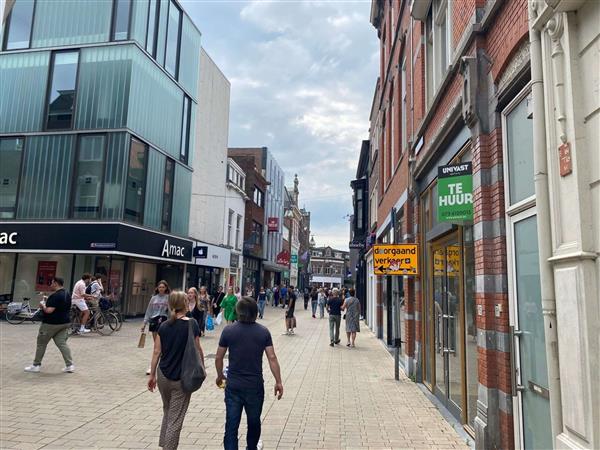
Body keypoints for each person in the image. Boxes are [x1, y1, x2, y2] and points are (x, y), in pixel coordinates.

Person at [216, 298, 283, 450]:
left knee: (231, 424)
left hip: (233, 385)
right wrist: (278, 381)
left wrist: (220, 375)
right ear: (255, 311)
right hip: (255, 385)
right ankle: (251, 447)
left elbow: (219, 357)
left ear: (238, 312)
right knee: (254, 422)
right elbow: (272, 357)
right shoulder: (263, 332)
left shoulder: (229, 330)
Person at [148, 291, 204, 450]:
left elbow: (156, 351)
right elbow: (198, 348)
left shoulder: (164, 325)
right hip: (182, 377)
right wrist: (202, 368)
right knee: (175, 418)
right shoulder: (191, 324)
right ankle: (169, 447)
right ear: (185, 304)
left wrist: (152, 375)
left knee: (168, 410)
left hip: (163, 375)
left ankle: (164, 443)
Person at [24, 277, 74, 373]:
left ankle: (36, 365)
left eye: (51, 283)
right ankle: (70, 365)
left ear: (55, 283)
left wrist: (43, 305)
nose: (50, 285)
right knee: (62, 343)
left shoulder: (55, 296)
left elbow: (49, 310)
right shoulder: (67, 294)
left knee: (41, 344)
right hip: (64, 323)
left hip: (50, 324)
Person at [142, 280, 171, 375]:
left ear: (166, 288)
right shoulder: (153, 298)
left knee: (163, 344)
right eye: (159, 287)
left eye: (163, 287)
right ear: (157, 288)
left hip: (164, 321)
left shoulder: (168, 298)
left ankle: (162, 364)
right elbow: (149, 311)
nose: (161, 289)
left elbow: (171, 311)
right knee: (156, 345)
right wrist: (144, 323)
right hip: (154, 321)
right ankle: (153, 365)